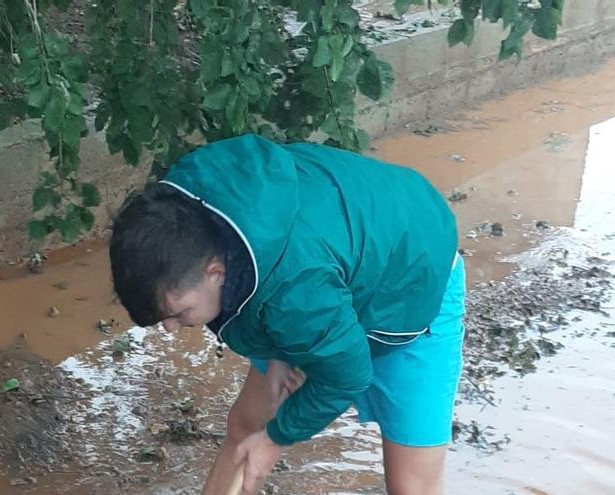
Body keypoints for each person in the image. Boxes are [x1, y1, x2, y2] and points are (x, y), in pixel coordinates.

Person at [109, 134, 465, 494]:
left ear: (216, 272)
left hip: (416, 281)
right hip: (327, 267)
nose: (169, 329)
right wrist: (278, 351)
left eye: (177, 312)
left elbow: (348, 375)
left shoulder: (295, 293)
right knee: (246, 426)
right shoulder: (191, 206)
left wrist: (276, 439)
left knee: (411, 486)